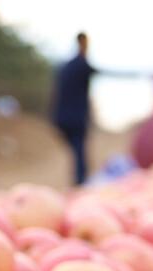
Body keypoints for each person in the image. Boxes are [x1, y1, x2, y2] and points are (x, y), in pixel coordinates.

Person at [51, 32, 96, 185]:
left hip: (61, 116)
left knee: (76, 151)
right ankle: (80, 182)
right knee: (79, 150)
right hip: (75, 117)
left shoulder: (66, 66)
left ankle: (78, 180)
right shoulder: (81, 65)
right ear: (83, 43)